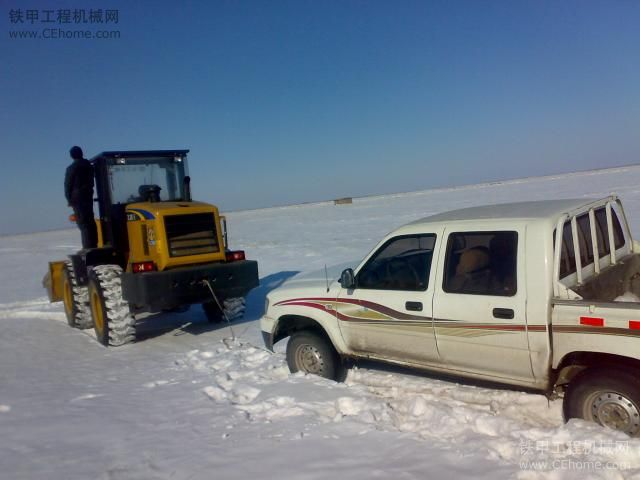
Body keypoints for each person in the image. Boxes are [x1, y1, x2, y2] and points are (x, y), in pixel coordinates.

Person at [65, 146, 97, 249]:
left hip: (77, 198)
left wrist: (69, 199)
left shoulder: (72, 168)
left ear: (72, 156)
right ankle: (94, 244)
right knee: (90, 221)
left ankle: (88, 247)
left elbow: (68, 185)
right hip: (88, 196)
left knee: (83, 223)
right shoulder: (89, 166)